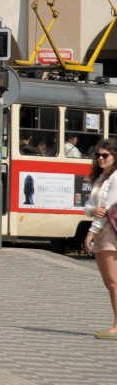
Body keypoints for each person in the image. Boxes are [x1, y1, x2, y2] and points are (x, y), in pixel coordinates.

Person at [85, 139, 117, 339]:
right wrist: (93, 211)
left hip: (109, 233)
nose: (101, 159)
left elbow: (105, 210)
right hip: (101, 234)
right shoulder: (100, 180)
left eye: (105, 155)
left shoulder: (115, 179)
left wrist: (90, 233)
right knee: (109, 282)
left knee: (113, 282)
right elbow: (89, 207)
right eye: (98, 155)